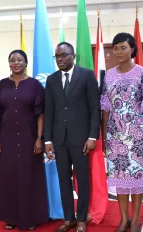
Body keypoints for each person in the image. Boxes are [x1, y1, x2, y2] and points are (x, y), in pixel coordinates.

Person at [100, 32, 143, 232]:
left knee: (136, 179)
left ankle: (134, 220)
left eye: (123, 47)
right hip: (115, 137)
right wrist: (105, 138)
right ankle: (123, 218)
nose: (118, 51)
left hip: (138, 137)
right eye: (115, 48)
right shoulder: (108, 75)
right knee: (120, 179)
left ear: (132, 49)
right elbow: (105, 108)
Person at [0, 49, 49, 230]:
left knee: (29, 177)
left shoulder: (35, 85)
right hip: (6, 139)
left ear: (26, 63)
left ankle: (30, 218)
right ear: (9, 63)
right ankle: (11, 217)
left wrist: (39, 138)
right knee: (8, 177)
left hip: (28, 138)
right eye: (12, 60)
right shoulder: (1, 85)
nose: (16, 62)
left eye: (19, 59)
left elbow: (40, 114)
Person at [44, 42, 100, 232]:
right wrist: (48, 140)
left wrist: (93, 136)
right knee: (63, 179)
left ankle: (82, 218)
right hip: (59, 140)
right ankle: (69, 218)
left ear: (73, 55)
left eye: (63, 55)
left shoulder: (86, 75)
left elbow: (94, 107)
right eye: (57, 56)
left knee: (83, 179)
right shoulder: (51, 80)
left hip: (82, 139)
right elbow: (49, 111)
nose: (60, 59)